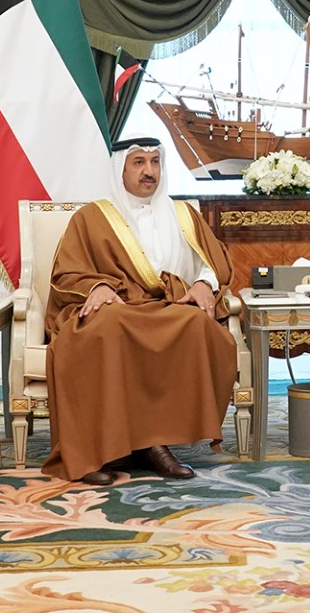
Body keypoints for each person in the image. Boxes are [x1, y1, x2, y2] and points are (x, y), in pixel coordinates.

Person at [42, 137, 237, 485]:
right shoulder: (91, 217)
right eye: (139, 162)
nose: (149, 171)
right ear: (121, 168)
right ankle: (95, 450)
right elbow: (67, 273)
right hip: (116, 307)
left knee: (195, 323)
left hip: (165, 305)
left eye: (154, 162)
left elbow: (212, 261)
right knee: (109, 325)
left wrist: (203, 284)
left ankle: (155, 444)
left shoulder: (183, 214)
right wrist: (97, 287)